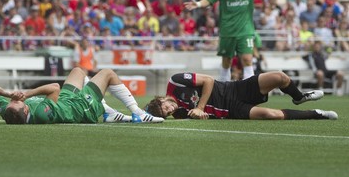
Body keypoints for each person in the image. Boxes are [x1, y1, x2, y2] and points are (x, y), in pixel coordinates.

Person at [184, 0, 277, 82]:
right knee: (226, 61)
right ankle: (224, 91)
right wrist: (198, 4)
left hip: (245, 30)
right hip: (227, 30)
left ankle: (249, 93)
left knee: (247, 59)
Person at [0, 67, 164, 124]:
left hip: (65, 101)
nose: (15, 100)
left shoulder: (7, 111)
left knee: (78, 71)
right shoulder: (40, 113)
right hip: (80, 108)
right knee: (108, 73)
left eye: (12, 101)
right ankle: (137, 113)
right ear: (25, 110)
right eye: (17, 101)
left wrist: (6, 93)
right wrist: (26, 93)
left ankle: (108, 111)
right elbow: (55, 87)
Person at [144, 71, 338, 120]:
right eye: (167, 113)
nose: (171, 110)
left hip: (233, 89)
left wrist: (200, 107)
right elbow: (202, 117)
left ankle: (299, 97)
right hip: (232, 110)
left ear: (161, 98)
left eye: (166, 107)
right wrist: (202, 116)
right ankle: (317, 113)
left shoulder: (175, 81)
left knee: (280, 77)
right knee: (272, 115)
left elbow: (209, 81)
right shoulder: (178, 115)